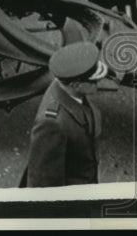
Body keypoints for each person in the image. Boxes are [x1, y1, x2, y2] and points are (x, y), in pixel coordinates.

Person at [22, 42, 109, 188]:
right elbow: (43, 182)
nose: (98, 84)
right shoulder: (52, 124)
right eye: (94, 82)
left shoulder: (67, 88)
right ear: (75, 85)